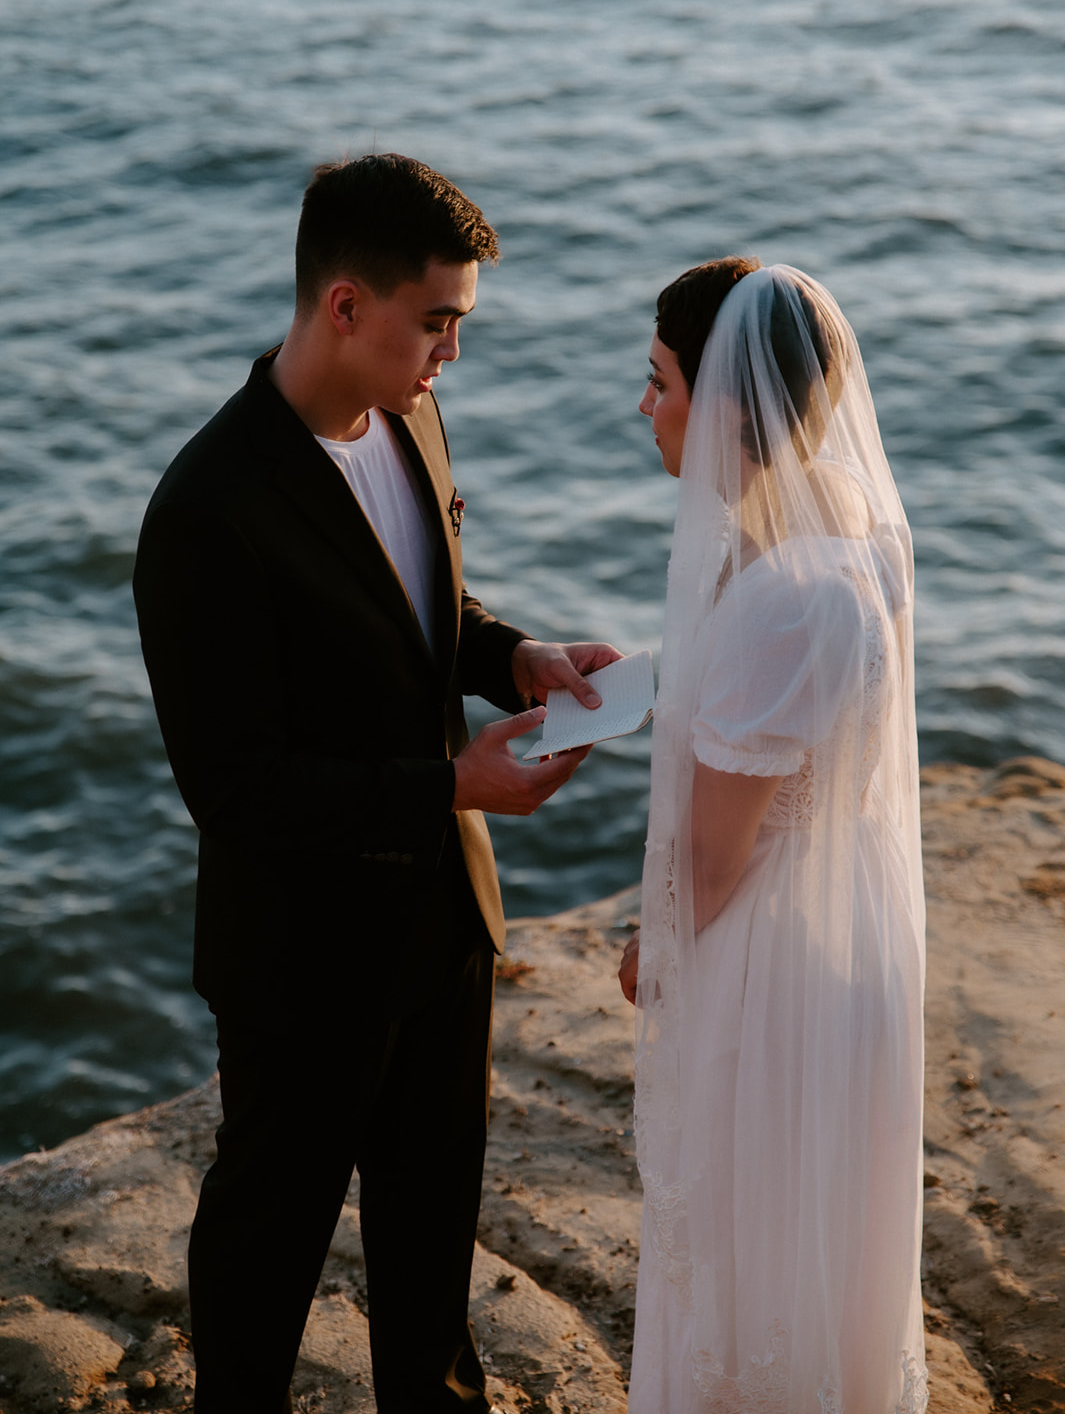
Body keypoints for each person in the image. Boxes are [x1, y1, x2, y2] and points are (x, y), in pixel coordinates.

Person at [133, 153, 620, 1414]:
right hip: (300, 963)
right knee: (262, 1265)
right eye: (438, 321)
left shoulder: (408, 411)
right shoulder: (207, 510)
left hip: (444, 932)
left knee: (431, 1254)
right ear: (346, 305)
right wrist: (449, 785)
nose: (451, 353)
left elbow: (418, 616)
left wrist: (513, 654)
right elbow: (235, 790)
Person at [619, 260, 926, 1412]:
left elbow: (715, 850)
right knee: (821, 1236)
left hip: (768, 963)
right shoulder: (849, 530)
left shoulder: (778, 590)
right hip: (845, 934)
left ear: (728, 405)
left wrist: (659, 945)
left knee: (750, 1242)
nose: (644, 407)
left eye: (658, 382)